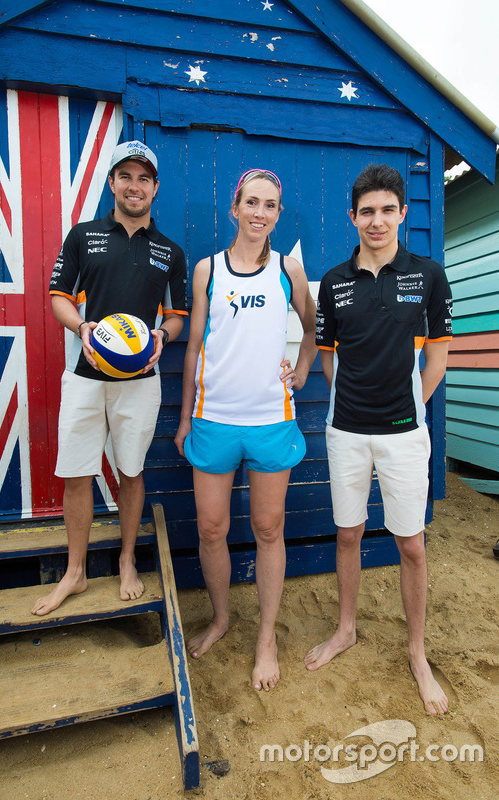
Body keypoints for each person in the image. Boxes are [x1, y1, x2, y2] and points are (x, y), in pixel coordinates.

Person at [305, 163, 452, 715]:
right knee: (349, 535)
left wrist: (411, 400)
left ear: (403, 214)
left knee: (410, 545)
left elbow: (438, 350)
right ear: (353, 217)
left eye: (388, 209)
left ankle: (417, 652)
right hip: (346, 432)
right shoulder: (335, 282)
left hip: (404, 435)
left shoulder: (428, 275)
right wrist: (354, 399)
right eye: (367, 211)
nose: (377, 220)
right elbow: (327, 356)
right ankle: (346, 629)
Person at [175, 169, 317, 691]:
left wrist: (301, 370)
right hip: (214, 420)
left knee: (267, 530)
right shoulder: (207, 270)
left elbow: (312, 327)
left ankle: (266, 639)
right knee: (211, 529)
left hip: (270, 421)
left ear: (278, 215)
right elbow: (192, 347)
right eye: (252, 202)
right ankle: (221, 618)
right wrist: (187, 417)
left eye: (271, 205)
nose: (260, 213)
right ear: (234, 208)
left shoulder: (289, 269)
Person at [32, 140, 188, 616]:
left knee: (131, 472)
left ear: (155, 187)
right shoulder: (83, 236)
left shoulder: (170, 250)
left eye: (144, 178)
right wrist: (82, 328)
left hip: (141, 379)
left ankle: (125, 561)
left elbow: (178, 314)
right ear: (112, 183)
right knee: (77, 474)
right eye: (126, 176)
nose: (134, 186)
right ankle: (75, 573)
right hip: (85, 376)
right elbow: (59, 295)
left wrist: (161, 335)